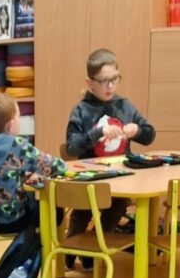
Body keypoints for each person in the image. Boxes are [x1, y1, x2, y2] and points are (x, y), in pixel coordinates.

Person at [63, 48, 155, 264]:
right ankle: (68, 254)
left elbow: (150, 134)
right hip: (88, 180)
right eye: (104, 81)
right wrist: (96, 133)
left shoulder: (125, 106)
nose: (110, 86)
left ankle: (93, 249)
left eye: (115, 79)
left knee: (117, 207)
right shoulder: (81, 110)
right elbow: (71, 147)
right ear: (90, 83)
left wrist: (137, 130)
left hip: (120, 178)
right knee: (82, 212)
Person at [0, 92, 65, 234]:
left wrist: (29, 178)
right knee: (54, 209)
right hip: (13, 220)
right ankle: (36, 251)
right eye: (19, 116)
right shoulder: (16, 145)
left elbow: (1, 176)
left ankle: (29, 249)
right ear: (10, 125)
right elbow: (57, 166)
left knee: (35, 189)